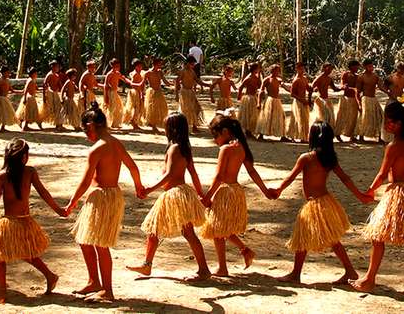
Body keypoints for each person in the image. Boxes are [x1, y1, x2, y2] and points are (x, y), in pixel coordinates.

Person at [62, 105, 147, 302]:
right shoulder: (116, 143)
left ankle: (107, 290)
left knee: (100, 244)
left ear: (91, 125)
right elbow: (133, 167)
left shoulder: (97, 149)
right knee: (84, 239)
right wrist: (138, 186)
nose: (86, 135)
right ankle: (94, 281)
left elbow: (85, 181)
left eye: (85, 130)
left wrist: (72, 202)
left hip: (102, 198)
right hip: (111, 196)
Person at [350, 101, 404, 294]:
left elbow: (382, 173)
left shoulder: (394, 146)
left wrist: (370, 191)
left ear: (399, 123)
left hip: (399, 193)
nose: (386, 125)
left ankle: (369, 279)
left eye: (389, 122)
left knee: (378, 235)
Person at [272, 120, 371, 284]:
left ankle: (296, 274)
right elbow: (345, 178)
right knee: (329, 239)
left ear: (312, 137)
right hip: (326, 202)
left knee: (305, 238)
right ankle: (349, 271)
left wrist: (278, 190)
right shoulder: (329, 159)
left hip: (314, 204)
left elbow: (290, 177)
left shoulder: (306, 158)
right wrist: (360, 195)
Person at [126, 112, 211, 281]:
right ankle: (147, 265)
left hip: (175, 196)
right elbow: (193, 173)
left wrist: (150, 189)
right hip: (179, 194)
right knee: (154, 229)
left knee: (188, 233)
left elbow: (170, 174)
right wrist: (201, 194)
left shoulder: (174, 148)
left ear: (172, 129)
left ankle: (204, 270)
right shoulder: (184, 148)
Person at [0, 138, 63, 303]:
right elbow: (43, 193)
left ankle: (3, 290)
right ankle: (48, 276)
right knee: (15, 254)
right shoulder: (27, 172)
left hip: (13, 222)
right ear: (24, 157)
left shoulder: (4, 175)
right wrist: (58, 209)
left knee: (2, 256)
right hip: (20, 221)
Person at [201, 114, 277, 276]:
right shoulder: (241, 147)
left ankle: (223, 267)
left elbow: (219, 176)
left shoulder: (226, 149)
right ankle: (244, 250)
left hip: (225, 192)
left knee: (217, 229)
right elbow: (252, 171)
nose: (215, 140)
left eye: (216, 136)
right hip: (236, 191)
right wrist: (265, 191)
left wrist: (208, 197)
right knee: (222, 227)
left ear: (225, 132)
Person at [356, 60, 384, 143]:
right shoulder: (361, 77)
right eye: (369, 66)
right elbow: (357, 92)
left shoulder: (375, 76)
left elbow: (381, 87)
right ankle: (361, 137)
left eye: (372, 66)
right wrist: (359, 104)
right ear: (365, 67)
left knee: (379, 116)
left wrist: (389, 92)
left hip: (373, 99)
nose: (371, 68)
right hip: (365, 99)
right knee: (365, 118)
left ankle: (379, 137)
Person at [258, 64, 287, 141]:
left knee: (281, 116)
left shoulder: (279, 80)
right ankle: (261, 135)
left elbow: (286, 87)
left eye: (278, 71)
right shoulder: (266, 80)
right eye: (277, 71)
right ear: (272, 71)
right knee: (267, 117)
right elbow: (261, 91)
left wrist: (290, 89)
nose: (278, 72)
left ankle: (283, 136)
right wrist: (258, 102)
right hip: (269, 100)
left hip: (277, 101)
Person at [334, 61, 360, 142]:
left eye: (358, 67)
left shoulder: (358, 76)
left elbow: (358, 88)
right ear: (351, 67)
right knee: (342, 116)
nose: (357, 68)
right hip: (346, 98)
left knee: (353, 117)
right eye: (356, 66)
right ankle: (338, 133)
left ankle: (352, 135)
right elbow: (343, 85)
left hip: (354, 99)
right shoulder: (346, 74)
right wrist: (345, 87)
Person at [0, 69, 20, 133]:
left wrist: (21, 91)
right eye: (7, 73)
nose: (8, 74)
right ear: (3, 73)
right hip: (0, 99)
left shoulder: (7, 81)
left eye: (8, 73)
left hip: (5, 99)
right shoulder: (0, 81)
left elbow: (12, 90)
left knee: (6, 113)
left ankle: (3, 128)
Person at [144, 59, 172, 133]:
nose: (161, 65)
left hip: (159, 92)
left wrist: (171, 84)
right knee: (153, 109)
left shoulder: (160, 72)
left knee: (162, 108)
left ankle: (155, 124)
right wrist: (141, 92)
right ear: (155, 64)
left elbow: (165, 81)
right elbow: (143, 83)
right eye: (159, 64)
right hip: (151, 92)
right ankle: (153, 126)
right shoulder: (148, 72)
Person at [176, 58, 204, 131]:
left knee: (196, 108)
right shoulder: (182, 71)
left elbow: (197, 80)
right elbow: (177, 81)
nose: (193, 65)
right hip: (184, 92)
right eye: (192, 64)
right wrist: (176, 95)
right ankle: (184, 127)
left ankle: (194, 126)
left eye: (194, 64)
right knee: (186, 110)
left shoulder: (192, 71)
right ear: (188, 63)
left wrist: (206, 85)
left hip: (191, 92)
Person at [287, 62, 312, 143]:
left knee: (304, 120)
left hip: (304, 101)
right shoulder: (296, 80)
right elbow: (292, 94)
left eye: (303, 68)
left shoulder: (304, 79)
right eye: (300, 69)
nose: (302, 70)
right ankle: (292, 135)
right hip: (298, 102)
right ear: (297, 69)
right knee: (297, 119)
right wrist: (301, 100)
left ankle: (303, 137)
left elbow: (308, 89)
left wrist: (311, 91)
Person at [235, 62, 262, 134]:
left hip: (254, 97)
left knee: (254, 114)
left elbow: (259, 85)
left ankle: (250, 129)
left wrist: (259, 75)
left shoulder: (256, 78)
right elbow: (241, 87)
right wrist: (239, 96)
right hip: (248, 98)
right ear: (254, 69)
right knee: (248, 114)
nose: (259, 70)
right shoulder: (248, 78)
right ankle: (247, 130)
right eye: (258, 68)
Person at [125, 59, 148, 131]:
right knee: (136, 108)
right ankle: (134, 123)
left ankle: (134, 121)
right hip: (135, 92)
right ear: (135, 67)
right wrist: (139, 91)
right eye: (139, 66)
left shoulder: (142, 73)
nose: (140, 67)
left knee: (140, 108)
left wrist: (142, 92)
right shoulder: (135, 74)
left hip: (140, 91)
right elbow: (132, 84)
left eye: (141, 66)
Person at [42, 61, 66, 131]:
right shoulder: (49, 75)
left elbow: (60, 84)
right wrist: (44, 96)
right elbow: (44, 84)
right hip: (50, 94)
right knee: (52, 109)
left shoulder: (57, 75)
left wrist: (63, 91)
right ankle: (57, 124)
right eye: (57, 67)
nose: (58, 68)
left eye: (58, 67)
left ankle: (59, 124)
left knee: (58, 108)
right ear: (52, 67)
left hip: (55, 94)